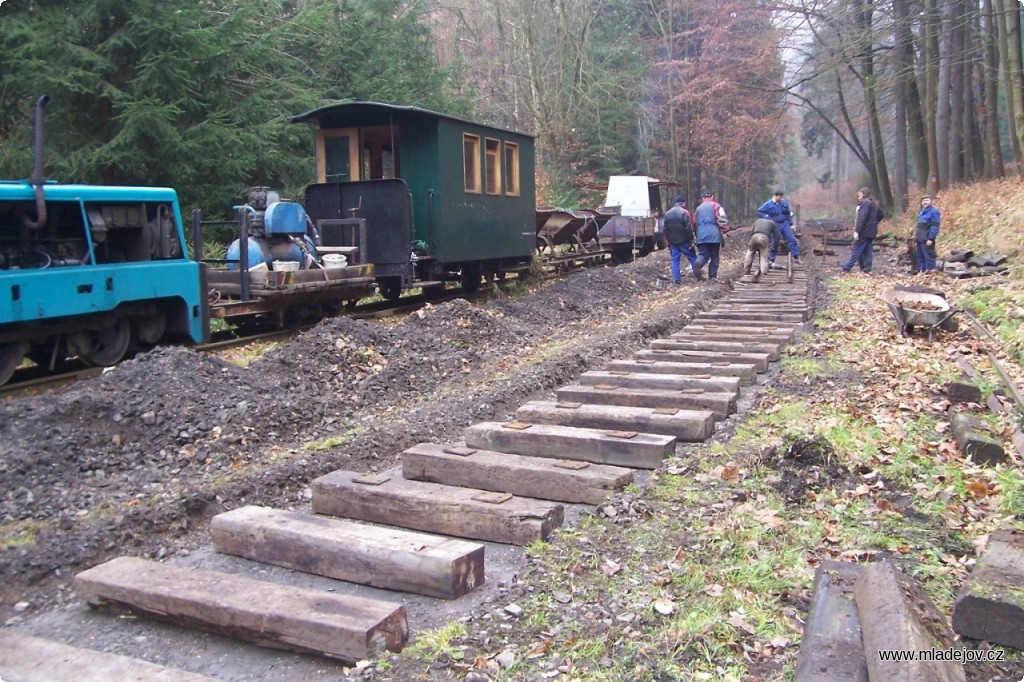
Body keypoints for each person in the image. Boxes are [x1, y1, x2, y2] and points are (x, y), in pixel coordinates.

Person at [840, 187, 881, 274]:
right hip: (872, 231)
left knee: (857, 248)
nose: (858, 196)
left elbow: (861, 218)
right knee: (868, 250)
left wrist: (857, 231)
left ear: (864, 195)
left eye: (860, 194)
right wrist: (873, 222)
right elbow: (881, 215)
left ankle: (847, 266)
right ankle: (866, 268)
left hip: (864, 231)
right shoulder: (874, 204)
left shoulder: (865, 204)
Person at [692, 191, 729, 280]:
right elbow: (722, 220)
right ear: (712, 197)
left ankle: (698, 262)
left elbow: (693, 223)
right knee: (714, 255)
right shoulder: (716, 206)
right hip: (714, 235)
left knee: (703, 254)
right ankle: (712, 276)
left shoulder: (698, 209)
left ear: (703, 198)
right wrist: (725, 230)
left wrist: (697, 233)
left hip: (701, 235)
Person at [757, 190, 799, 265]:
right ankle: (771, 259)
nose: (780, 199)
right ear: (775, 196)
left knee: (792, 239)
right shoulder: (768, 204)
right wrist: (767, 217)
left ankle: (796, 257)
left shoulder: (784, 202)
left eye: (781, 197)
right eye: (779, 197)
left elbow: (787, 213)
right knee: (775, 242)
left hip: (785, 224)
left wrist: (791, 224)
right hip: (775, 225)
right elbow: (759, 212)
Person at [662, 195, 696, 284]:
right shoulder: (684, 213)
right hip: (684, 240)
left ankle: (676, 279)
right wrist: (691, 240)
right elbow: (688, 228)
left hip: (673, 241)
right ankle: (698, 275)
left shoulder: (668, 213)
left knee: (675, 260)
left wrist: (668, 240)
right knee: (692, 257)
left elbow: (665, 229)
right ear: (683, 203)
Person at [745, 217, 779, 282]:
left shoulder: (757, 220)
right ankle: (764, 272)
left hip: (754, 237)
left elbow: (752, 232)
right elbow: (777, 236)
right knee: (764, 256)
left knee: (750, 252)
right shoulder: (772, 223)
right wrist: (775, 246)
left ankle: (746, 270)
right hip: (764, 238)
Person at [915, 195, 941, 273]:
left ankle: (931, 272)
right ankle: (922, 272)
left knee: (929, 256)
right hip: (919, 238)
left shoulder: (934, 212)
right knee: (920, 257)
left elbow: (935, 226)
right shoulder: (921, 212)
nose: (925, 202)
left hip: (927, 239)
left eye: (927, 200)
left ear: (930, 201)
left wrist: (931, 238)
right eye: (923, 201)